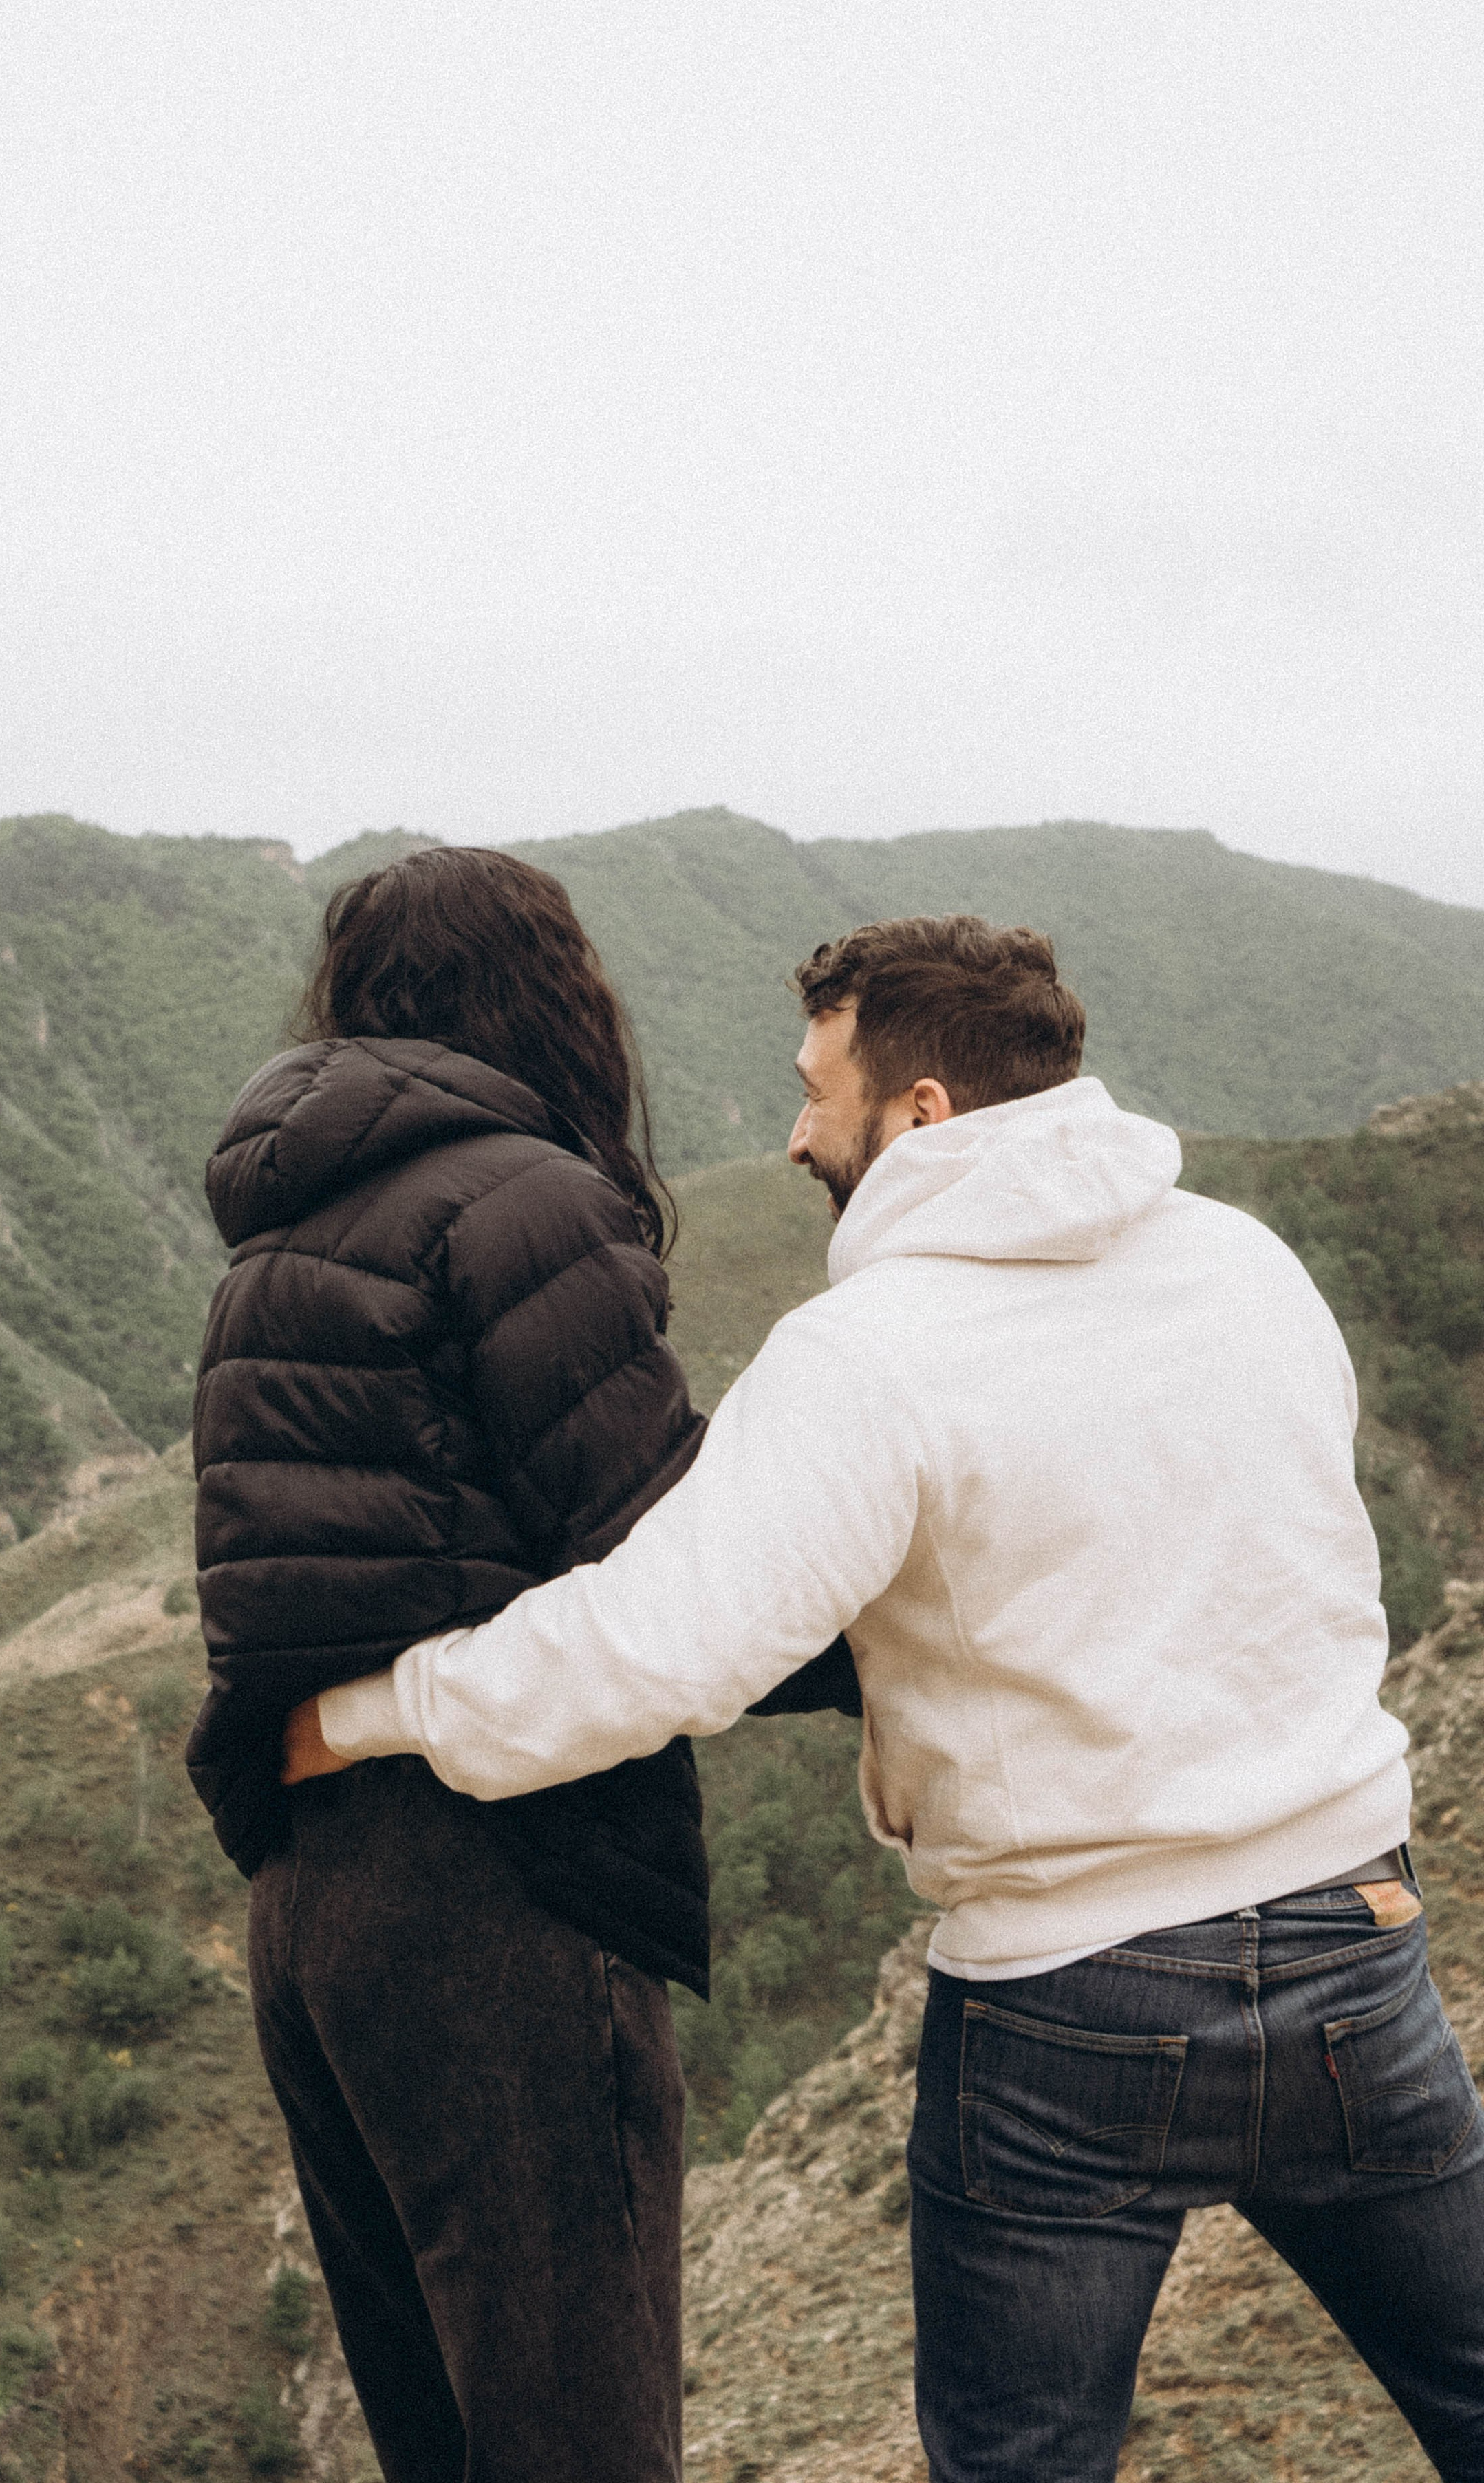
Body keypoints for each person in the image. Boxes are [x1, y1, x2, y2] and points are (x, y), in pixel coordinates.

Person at [297, 913, 1484, 2483]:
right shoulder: (1244, 1263)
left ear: (921, 1112)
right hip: (1352, 1944)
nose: (794, 1135)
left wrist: (365, 1710)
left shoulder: (869, 1354)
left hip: (1072, 1997)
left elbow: (655, 1652)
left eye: (817, 1092)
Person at [184, 845, 853, 2483]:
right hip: (499, 1886)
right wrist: (911, 1620)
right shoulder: (522, 1202)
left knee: (440, 2440)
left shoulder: (274, 1241)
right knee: (575, 2438)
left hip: (312, 1900)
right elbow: (669, 1569)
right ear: (554, 995)